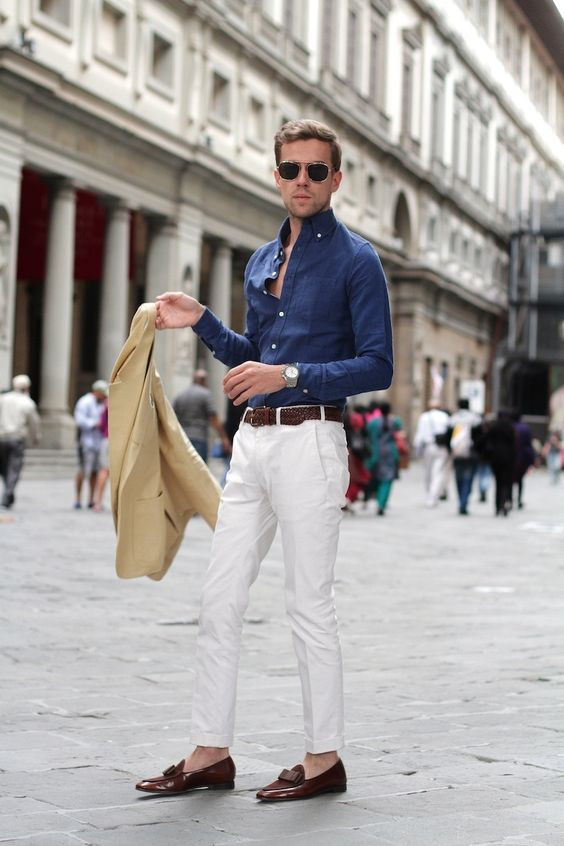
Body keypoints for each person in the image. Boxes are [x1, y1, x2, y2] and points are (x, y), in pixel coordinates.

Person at [135, 118, 393, 802]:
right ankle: (210, 750)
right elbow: (252, 353)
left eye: (315, 171)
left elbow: (378, 364)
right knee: (219, 596)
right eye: (290, 170)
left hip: (311, 440)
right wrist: (203, 321)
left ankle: (323, 758)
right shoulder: (259, 259)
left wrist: (291, 376)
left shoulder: (358, 261)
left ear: (336, 180)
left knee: (309, 604)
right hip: (251, 445)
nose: (301, 181)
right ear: (275, 174)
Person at [172, 369, 231, 464]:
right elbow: (213, 418)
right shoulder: (205, 394)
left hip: (183, 438)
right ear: (203, 381)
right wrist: (223, 437)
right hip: (199, 439)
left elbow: (172, 417)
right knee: (200, 472)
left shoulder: (181, 395)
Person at [0, 374, 40, 508]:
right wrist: (35, 438)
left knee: (4, 467)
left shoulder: (3, 399)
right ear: (26, 387)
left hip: (2, 437)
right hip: (16, 439)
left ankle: (8, 491)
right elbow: (34, 423)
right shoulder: (27, 402)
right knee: (14, 468)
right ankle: (8, 492)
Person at [73, 379, 108, 509]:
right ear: (96, 392)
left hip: (98, 442)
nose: (104, 396)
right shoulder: (85, 402)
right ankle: (77, 498)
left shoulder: (103, 403)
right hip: (86, 441)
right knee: (82, 470)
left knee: (95, 471)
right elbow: (79, 419)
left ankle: (91, 499)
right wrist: (94, 424)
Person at [364, 401, 403, 515]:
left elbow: (367, 432)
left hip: (376, 452)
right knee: (387, 479)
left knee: (375, 476)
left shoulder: (373, 423)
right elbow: (400, 428)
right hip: (390, 452)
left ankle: (374, 496)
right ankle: (381, 503)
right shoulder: (394, 422)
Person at [413, 399, 451, 508]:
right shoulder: (445, 417)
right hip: (441, 448)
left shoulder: (424, 417)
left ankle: (430, 494)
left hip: (428, 447)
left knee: (428, 472)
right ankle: (433, 497)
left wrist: (417, 448)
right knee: (438, 472)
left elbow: (420, 434)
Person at [479, 409, 517, 516]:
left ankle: (497, 506)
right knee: (506, 483)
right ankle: (505, 503)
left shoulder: (494, 427)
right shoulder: (510, 428)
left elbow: (484, 440)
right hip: (508, 459)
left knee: (498, 482)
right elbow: (514, 446)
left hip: (495, 459)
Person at [448, 398, 481, 515]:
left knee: (459, 478)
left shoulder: (453, 419)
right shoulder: (475, 419)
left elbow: (448, 436)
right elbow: (479, 438)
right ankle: (464, 501)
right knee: (468, 479)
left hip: (457, 453)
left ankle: (461, 500)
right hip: (471, 453)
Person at [512, 412, 536, 509]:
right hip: (523, 458)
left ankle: (509, 499)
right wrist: (532, 459)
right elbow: (529, 445)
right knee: (520, 480)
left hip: (512, 458)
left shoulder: (510, 427)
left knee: (510, 480)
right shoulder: (525, 428)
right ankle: (519, 500)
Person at [92, 397, 109, 512]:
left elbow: (102, 424)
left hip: (108, 438)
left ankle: (98, 502)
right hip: (122, 441)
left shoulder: (108, 402)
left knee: (104, 470)